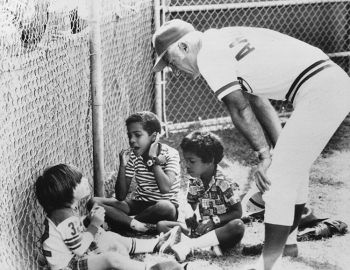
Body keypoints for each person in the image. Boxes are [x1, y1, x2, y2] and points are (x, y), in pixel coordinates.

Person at [152, 19, 350, 270]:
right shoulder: (218, 39)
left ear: (183, 46)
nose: (174, 69)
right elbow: (257, 99)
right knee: (291, 173)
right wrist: (277, 148)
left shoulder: (208, 55)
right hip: (326, 83)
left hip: (320, 88)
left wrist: (264, 155)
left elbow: (239, 106)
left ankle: (268, 264)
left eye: (170, 61)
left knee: (276, 181)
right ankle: (287, 246)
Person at [35, 163, 187, 270]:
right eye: (80, 181)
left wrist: (88, 221)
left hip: (74, 258)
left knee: (110, 238)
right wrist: (94, 225)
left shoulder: (63, 212)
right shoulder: (64, 216)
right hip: (69, 266)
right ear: (68, 191)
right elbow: (80, 249)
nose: (86, 180)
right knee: (110, 258)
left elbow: (75, 236)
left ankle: (156, 245)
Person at [157, 131, 245, 262]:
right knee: (162, 225)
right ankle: (201, 246)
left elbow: (238, 212)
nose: (186, 165)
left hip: (221, 231)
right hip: (202, 229)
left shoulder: (225, 182)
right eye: (186, 160)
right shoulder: (195, 180)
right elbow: (191, 203)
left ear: (210, 161)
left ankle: (189, 245)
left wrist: (214, 221)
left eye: (191, 161)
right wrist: (189, 215)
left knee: (238, 226)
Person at [89, 111, 181, 233]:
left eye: (137, 135)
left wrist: (153, 158)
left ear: (153, 137)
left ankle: (123, 223)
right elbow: (121, 196)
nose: (132, 140)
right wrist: (123, 166)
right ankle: (135, 225)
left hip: (162, 208)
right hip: (139, 204)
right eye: (129, 136)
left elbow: (165, 188)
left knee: (166, 206)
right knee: (94, 202)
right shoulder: (133, 156)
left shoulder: (171, 154)